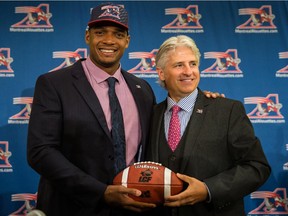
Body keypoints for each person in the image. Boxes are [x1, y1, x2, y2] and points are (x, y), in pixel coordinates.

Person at [27, 3, 221, 216]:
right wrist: (101, 192)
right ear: (87, 36)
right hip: (73, 206)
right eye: (100, 32)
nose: (109, 40)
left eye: (118, 34)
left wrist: (202, 100)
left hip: (134, 208)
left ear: (127, 41)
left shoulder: (141, 89)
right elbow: (41, 152)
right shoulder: (54, 83)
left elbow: (167, 121)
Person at [146, 35, 271, 216]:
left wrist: (208, 189)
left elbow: (256, 167)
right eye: (179, 65)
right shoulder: (151, 115)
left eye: (193, 64)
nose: (189, 71)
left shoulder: (228, 110)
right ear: (161, 73)